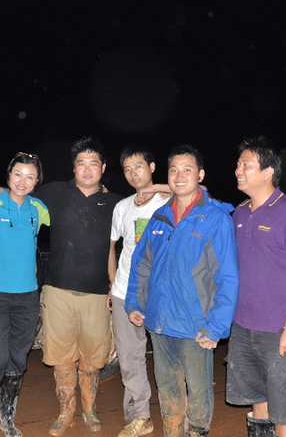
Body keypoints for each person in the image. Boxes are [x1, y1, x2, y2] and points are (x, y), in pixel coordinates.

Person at [0, 136, 122, 435]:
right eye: (81, 163)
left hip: (97, 294)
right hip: (56, 291)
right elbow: (20, 192)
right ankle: (65, 411)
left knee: (93, 360)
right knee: (61, 358)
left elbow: (118, 241)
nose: (87, 169)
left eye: (93, 163)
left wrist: (114, 284)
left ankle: (90, 410)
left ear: (103, 168)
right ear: (74, 168)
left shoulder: (115, 203)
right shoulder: (53, 193)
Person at [126, 145, 239, 437]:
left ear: (200, 175)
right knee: (167, 388)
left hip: (195, 324)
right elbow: (141, 264)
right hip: (160, 320)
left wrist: (216, 325)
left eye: (187, 170)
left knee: (199, 392)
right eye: (174, 170)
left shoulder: (215, 217)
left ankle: (198, 432)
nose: (179, 176)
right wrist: (135, 303)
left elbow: (227, 276)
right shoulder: (160, 217)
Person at [225, 136, 286, 437]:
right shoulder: (239, 213)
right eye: (238, 164)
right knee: (258, 398)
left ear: (268, 172)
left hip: (279, 329)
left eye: (246, 165)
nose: (238, 170)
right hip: (243, 327)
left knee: (285, 406)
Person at [0, 152, 50, 437]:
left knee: (19, 358)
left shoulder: (39, 209)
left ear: (37, 181)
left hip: (28, 296)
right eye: (17, 174)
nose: (22, 181)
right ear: (8, 175)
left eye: (30, 177)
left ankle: (7, 414)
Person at [107, 146, 168, 437]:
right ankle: (140, 417)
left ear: (152, 167)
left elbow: (201, 191)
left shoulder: (171, 199)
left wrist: (154, 189)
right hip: (125, 291)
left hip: (162, 293)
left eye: (139, 166)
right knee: (130, 358)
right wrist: (112, 285)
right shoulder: (122, 207)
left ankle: (176, 416)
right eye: (128, 169)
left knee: (169, 358)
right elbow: (111, 246)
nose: (134, 173)